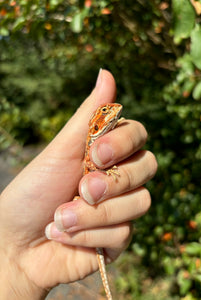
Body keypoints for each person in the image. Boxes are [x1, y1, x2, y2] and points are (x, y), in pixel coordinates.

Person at [0, 70, 157, 299]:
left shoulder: (100, 142)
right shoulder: (92, 143)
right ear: (94, 125)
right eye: (104, 111)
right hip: (73, 209)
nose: (110, 111)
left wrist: (14, 268)